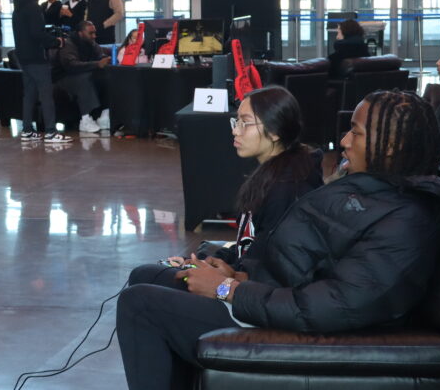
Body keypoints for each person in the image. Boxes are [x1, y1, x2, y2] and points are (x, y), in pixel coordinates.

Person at [116, 90, 440, 390]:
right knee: (148, 276)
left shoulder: (406, 219)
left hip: (304, 329)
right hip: (275, 301)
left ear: (390, 146)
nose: (344, 141)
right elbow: (315, 268)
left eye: (356, 133)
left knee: (141, 304)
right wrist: (241, 275)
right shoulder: (377, 194)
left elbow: (333, 305)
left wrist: (227, 289)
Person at [128, 86, 323, 290]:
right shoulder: (275, 174)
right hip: (237, 278)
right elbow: (249, 247)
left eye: (245, 123)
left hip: (241, 293)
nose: (235, 130)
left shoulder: (288, 190)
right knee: (149, 274)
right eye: (236, 121)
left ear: (274, 131)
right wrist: (204, 262)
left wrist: (226, 278)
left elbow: (277, 273)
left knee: (144, 279)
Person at [12, 0, 72, 144]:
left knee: (29, 94)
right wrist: (56, 42)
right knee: (46, 94)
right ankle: (51, 132)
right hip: (36, 57)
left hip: (23, 57)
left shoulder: (17, 8)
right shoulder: (33, 8)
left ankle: (27, 130)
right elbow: (38, 33)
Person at [55, 21, 111, 134]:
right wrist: (97, 64)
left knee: (107, 75)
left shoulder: (91, 43)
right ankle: (85, 119)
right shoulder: (68, 44)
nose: (94, 36)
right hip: (63, 77)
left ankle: (104, 115)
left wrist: (106, 59)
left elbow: (100, 55)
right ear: (80, 33)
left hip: (82, 73)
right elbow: (71, 65)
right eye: (91, 33)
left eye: (94, 33)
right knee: (84, 79)